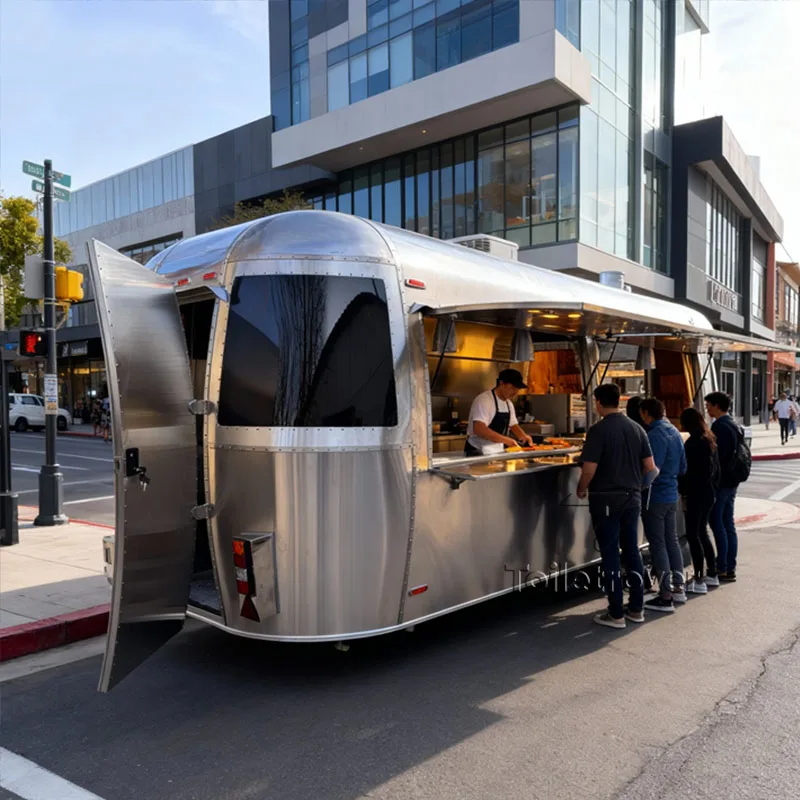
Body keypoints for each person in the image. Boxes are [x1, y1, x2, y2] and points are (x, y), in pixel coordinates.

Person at [577, 383, 658, 629]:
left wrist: (581, 488)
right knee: (632, 551)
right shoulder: (637, 429)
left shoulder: (598, 431)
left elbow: (589, 469)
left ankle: (615, 613)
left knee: (611, 554)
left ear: (599, 402)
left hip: (606, 500)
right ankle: (636, 608)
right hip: (631, 498)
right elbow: (651, 468)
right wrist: (638, 487)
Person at [638, 398, 688, 612]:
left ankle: (665, 595)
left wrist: (639, 487)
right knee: (671, 540)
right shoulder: (675, 432)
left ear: (646, 413)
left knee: (658, 544)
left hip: (655, 496)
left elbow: (651, 470)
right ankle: (678, 588)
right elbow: (683, 467)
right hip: (671, 494)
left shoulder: (653, 436)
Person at [678, 407, 720, 594]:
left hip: (696, 493)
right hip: (708, 492)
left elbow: (688, 472)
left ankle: (699, 577)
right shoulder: (709, 439)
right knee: (702, 532)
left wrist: (683, 490)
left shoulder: (692, 443)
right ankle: (712, 572)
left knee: (693, 534)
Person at [705, 391, 743, 582]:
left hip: (722, 482)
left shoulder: (720, 426)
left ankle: (723, 567)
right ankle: (729, 566)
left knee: (717, 521)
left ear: (717, 406)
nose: (707, 409)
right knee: (728, 522)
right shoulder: (734, 424)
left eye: (709, 405)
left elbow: (718, 457)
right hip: (732, 481)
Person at [464, 369, 533, 456]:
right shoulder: (485, 400)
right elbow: (479, 429)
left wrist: (523, 436)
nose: (515, 392)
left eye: (517, 389)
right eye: (512, 388)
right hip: (478, 451)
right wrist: (507, 440)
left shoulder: (508, 403)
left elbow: (513, 425)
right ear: (501, 383)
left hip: (496, 451)